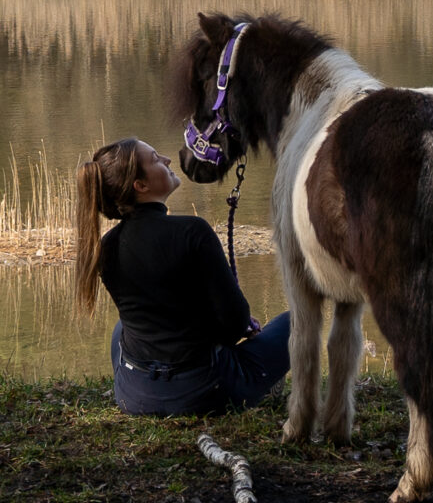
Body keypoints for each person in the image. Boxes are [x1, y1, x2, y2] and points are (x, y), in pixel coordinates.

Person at [72, 136, 290, 417]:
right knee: (296, 323)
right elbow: (234, 324)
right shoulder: (192, 232)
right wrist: (241, 328)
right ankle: (259, 386)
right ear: (141, 186)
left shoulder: (105, 247)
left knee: (121, 329)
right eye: (155, 159)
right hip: (205, 393)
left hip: (134, 396)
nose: (167, 160)